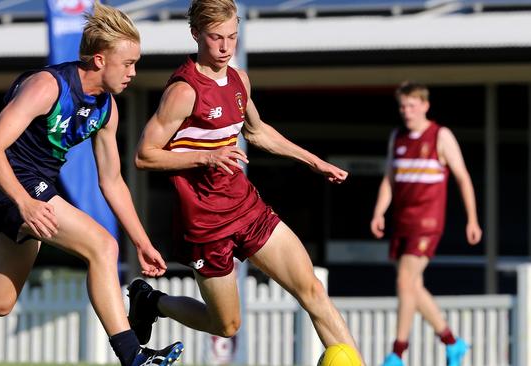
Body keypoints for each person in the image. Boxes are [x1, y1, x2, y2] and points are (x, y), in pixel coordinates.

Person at [0, 3, 184, 366]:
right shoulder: (48, 86)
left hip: (35, 192)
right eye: (128, 63)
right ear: (100, 60)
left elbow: (112, 181)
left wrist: (141, 241)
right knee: (102, 246)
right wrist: (24, 203)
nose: (134, 72)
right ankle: (133, 356)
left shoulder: (107, 109)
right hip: (14, 186)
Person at [129, 0, 363, 364]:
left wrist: (312, 160)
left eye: (232, 37)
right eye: (216, 38)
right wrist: (206, 156)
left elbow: (257, 132)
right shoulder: (184, 90)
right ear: (196, 34)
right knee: (226, 325)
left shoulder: (239, 80)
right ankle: (152, 301)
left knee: (313, 290)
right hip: (205, 222)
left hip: (247, 207)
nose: (225, 47)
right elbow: (145, 154)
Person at [370, 81, 482, 366]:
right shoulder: (398, 137)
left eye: (412, 105)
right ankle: (452, 342)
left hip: (428, 222)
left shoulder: (440, 136)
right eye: (402, 106)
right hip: (402, 222)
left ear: (425, 105)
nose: (406, 112)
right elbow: (389, 180)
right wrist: (379, 212)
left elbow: (463, 178)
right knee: (413, 287)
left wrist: (472, 219)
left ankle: (397, 352)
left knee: (405, 280)